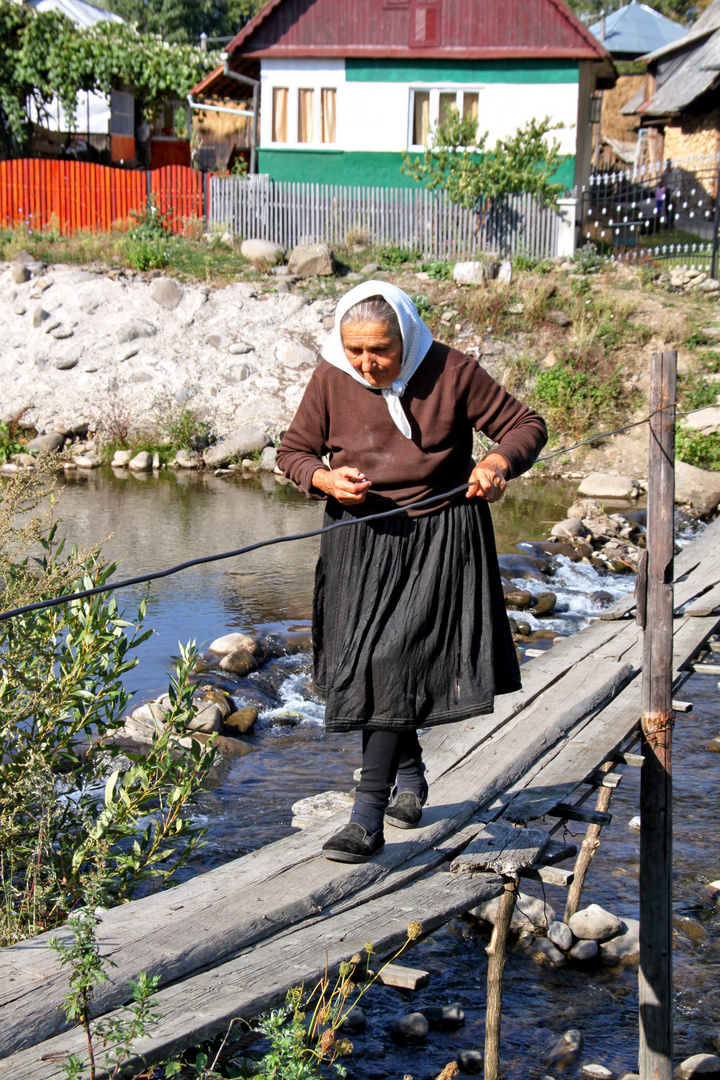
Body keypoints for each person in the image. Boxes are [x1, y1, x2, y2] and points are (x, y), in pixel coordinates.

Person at [276, 281, 547, 864]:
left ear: (408, 336)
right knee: (362, 663)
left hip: (440, 531)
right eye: (355, 351)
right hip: (359, 537)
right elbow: (293, 451)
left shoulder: (452, 369)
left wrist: (498, 461)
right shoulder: (332, 376)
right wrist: (323, 479)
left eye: (380, 351)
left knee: (389, 660)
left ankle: (365, 818)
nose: (367, 365)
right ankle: (410, 773)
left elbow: (527, 426)